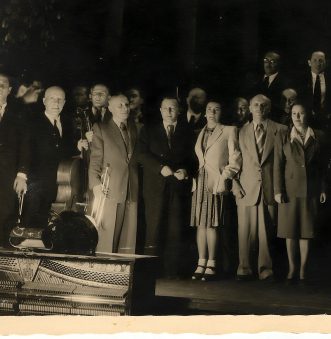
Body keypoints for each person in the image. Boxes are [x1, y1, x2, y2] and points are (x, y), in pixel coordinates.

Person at [233, 94, 288, 282]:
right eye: (256, 105)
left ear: (269, 108)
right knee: (245, 232)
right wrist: (234, 183)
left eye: (264, 105)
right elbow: (233, 161)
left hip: (270, 187)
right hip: (245, 187)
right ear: (249, 108)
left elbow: (284, 162)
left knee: (267, 232)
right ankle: (244, 269)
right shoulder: (241, 132)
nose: (259, 108)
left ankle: (266, 270)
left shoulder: (281, 130)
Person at [139, 97, 196, 277]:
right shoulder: (149, 129)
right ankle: (151, 272)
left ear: (179, 110)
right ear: (160, 110)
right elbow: (141, 155)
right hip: (155, 187)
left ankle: (173, 271)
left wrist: (186, 171)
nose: (169, 111)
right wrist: (159, 167)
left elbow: (194, 158)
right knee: (154, 230)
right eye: (165, 108)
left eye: (172, 108)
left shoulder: (188, 131)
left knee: (176, 230)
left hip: (179, 188)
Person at [14, 86, 82, 227]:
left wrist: (77, 147)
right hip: (37, 183)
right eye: (52, 99)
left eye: (60, 100)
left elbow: (64, 151)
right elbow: (25, 150)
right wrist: (21, 176)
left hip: (59, 184)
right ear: (44, 101)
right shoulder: (33, 123)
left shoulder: (68, 124)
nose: (56, 103)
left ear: (64, 102)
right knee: (32, 223)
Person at [274, 103, 326, 284]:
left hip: (311, 190)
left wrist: (323, 189)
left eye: (301, 113)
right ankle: (292, 269)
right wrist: (278, 190)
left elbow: (323, 166)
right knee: (290, 232)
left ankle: (303, 270)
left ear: (307, 114)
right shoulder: (283, 135)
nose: (297, 117)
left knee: (306, 232)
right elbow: (278, 165)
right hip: (289, 190)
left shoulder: (318, 135)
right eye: (294, 113)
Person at [191, 101, 242, 281]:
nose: (212, 112)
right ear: (205, 113)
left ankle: (211, 263)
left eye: (216, 109)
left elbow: (235, 158)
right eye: (209, 109)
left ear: (221, 113)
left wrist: (224, 177)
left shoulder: (229, 130)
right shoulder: (200, 132)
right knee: (200, 223)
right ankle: (201, 262)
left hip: (216, 182)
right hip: (199, 182)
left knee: (211, 223)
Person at [89, 93, 140, 253]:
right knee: (107, 235)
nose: (125, 108)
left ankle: (124, 274)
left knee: (128, 238)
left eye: (126, 104)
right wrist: (96, 184)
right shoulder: (101, 128)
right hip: (109, 187)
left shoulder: (136, 128)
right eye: (120, 105)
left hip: (131, 188)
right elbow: (96, 159)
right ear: (110, 108)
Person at [0, 74, 23, 245]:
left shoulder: (20, 115)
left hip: (7, 177)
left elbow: (25, 147)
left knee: (4, 216)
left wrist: (21, 174)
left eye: (3, 85)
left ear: (10, 90)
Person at [300, 51, 331, 125]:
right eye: (314, 60)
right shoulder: (301, 79)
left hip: (325, 119)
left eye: (321, 60)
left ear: (325, 63)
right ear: (309, 63)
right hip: (305, 118)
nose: (318, 63)